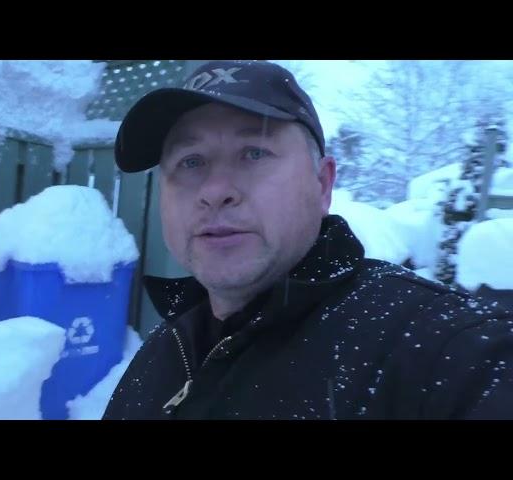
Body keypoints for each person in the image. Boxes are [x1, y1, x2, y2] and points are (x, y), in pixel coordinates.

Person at [103, 60, 513, 420]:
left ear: (322, 184)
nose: (216, 190)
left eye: (253, 153)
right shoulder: (164, 349)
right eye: (190, 161)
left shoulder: (445, 352)